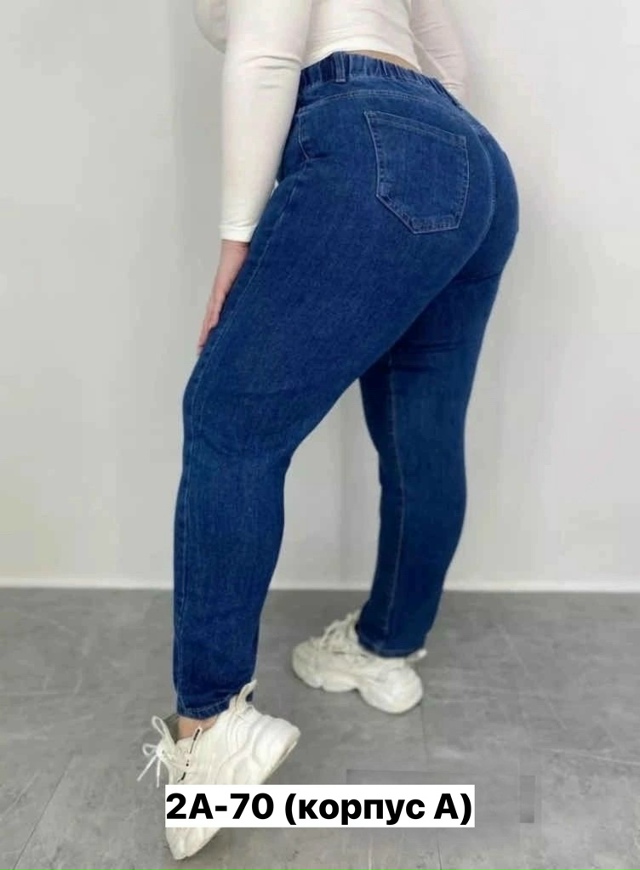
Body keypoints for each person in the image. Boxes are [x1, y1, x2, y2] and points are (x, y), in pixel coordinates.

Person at [136, 0, 520, 860]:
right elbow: (443, 49)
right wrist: (434, 154)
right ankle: (385, 650)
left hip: (369, 126)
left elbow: (268, 50)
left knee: (229, 421)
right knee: (422, 430)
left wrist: (236, 243)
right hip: (474, 159)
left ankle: (211, 728)